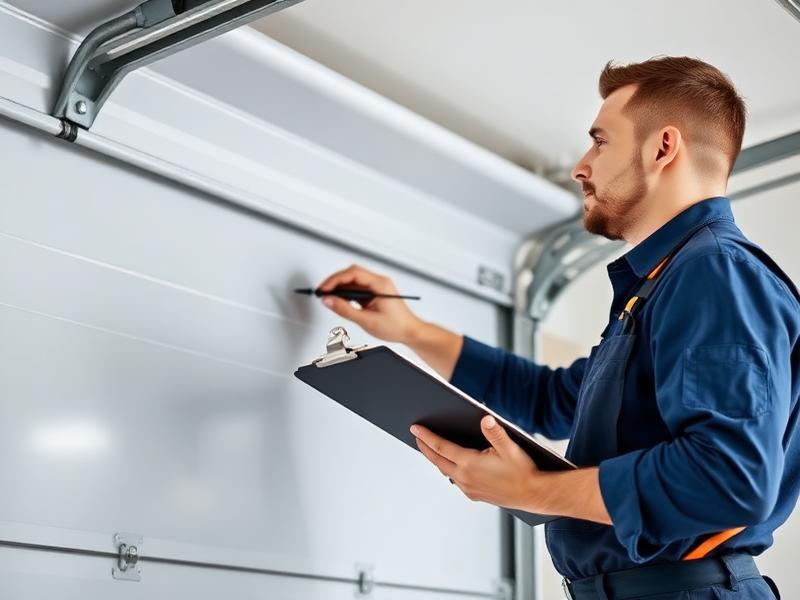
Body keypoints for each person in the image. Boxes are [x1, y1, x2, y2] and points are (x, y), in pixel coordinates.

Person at [316, 56, 799, 599]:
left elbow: (730, 479)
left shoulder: (715, 273)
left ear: (663, 147)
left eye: (600, 141)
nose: (580, 166)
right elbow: (549, 400)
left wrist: (537, 490)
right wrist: (409, 329)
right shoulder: (662, 286)